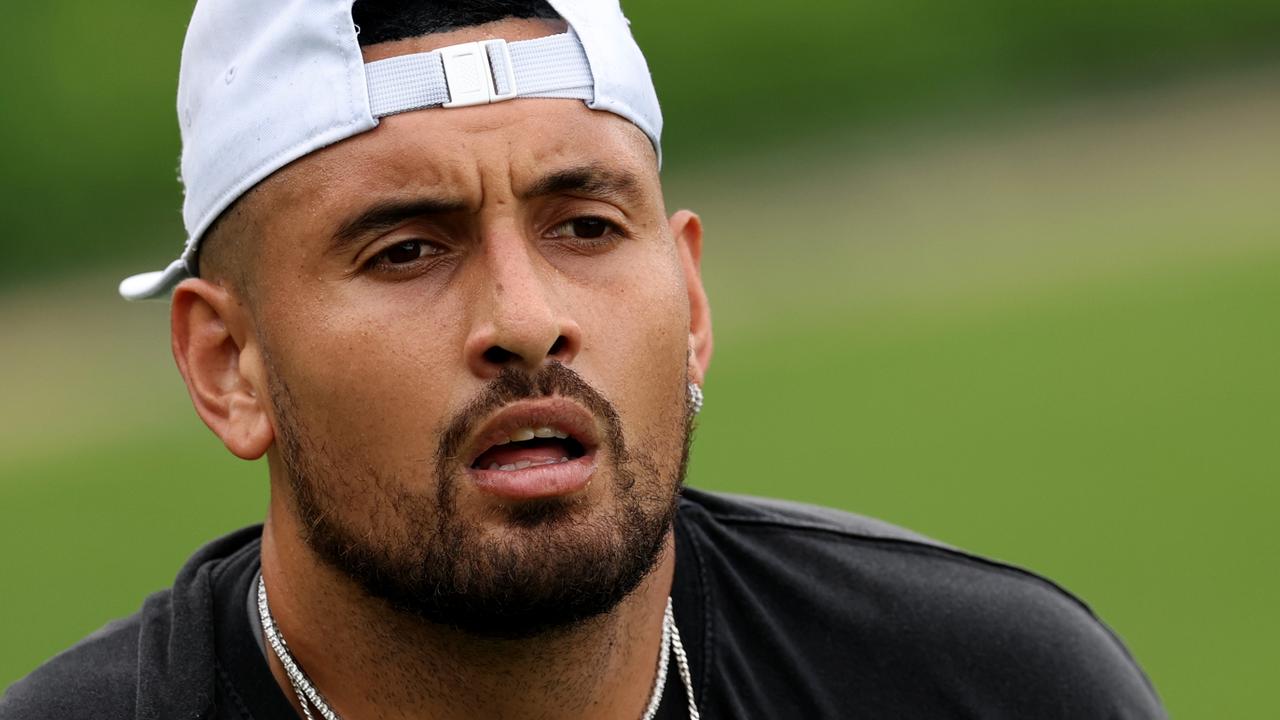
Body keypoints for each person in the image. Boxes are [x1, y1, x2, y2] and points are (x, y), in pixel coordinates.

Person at [1, 1, 1166, 718]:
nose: (524, 316)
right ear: (227, 365)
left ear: (692, 298)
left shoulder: (982, 689)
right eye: (406, 249)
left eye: (585, 228)